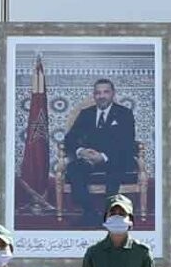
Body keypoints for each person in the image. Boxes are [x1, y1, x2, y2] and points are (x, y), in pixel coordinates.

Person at [58, 70, 144, 230]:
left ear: (113, 94)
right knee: (73, 169)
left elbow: (127, 142)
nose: (102, 96)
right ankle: (90, 213)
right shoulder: (86, 114)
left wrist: (103, 156)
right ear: (94, 95)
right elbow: (69, 139)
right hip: (89, 159)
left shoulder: (124, 113)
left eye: (105, 92)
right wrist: (81, 151)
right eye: (98, 93)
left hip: (115, 158)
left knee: (116, 167)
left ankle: (109, 213)